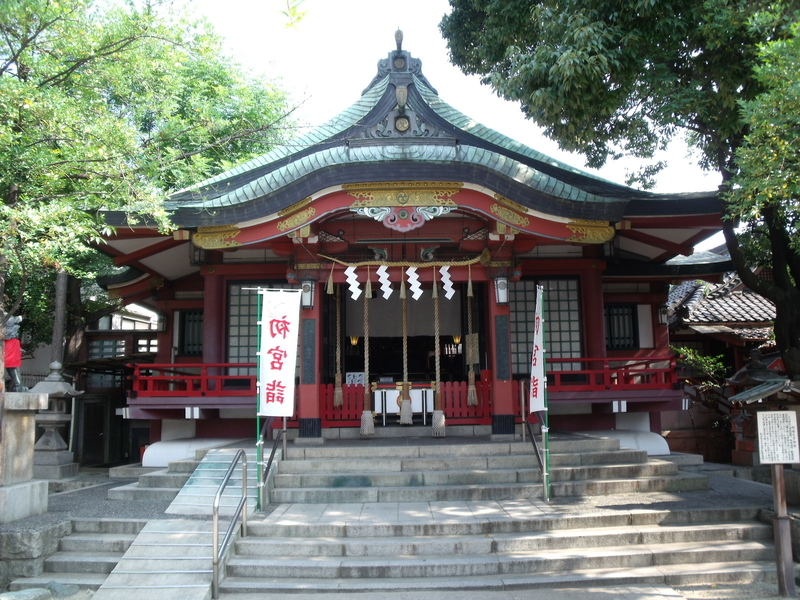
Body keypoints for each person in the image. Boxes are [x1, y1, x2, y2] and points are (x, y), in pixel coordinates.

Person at [4, 315, 28, 392]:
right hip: (7, 342)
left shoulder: (13, 340)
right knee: (12, 366)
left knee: (13, 366)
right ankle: (18, 384)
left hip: (11, 343)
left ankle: (18, 384)